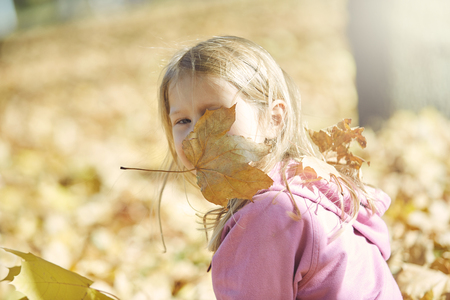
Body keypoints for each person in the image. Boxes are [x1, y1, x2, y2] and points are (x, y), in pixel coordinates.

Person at [157, 36, 402, 299]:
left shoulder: (272, 213)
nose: (196, 134)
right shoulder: (304, 187)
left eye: (213, 115)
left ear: (273, 119)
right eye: (182, 120)